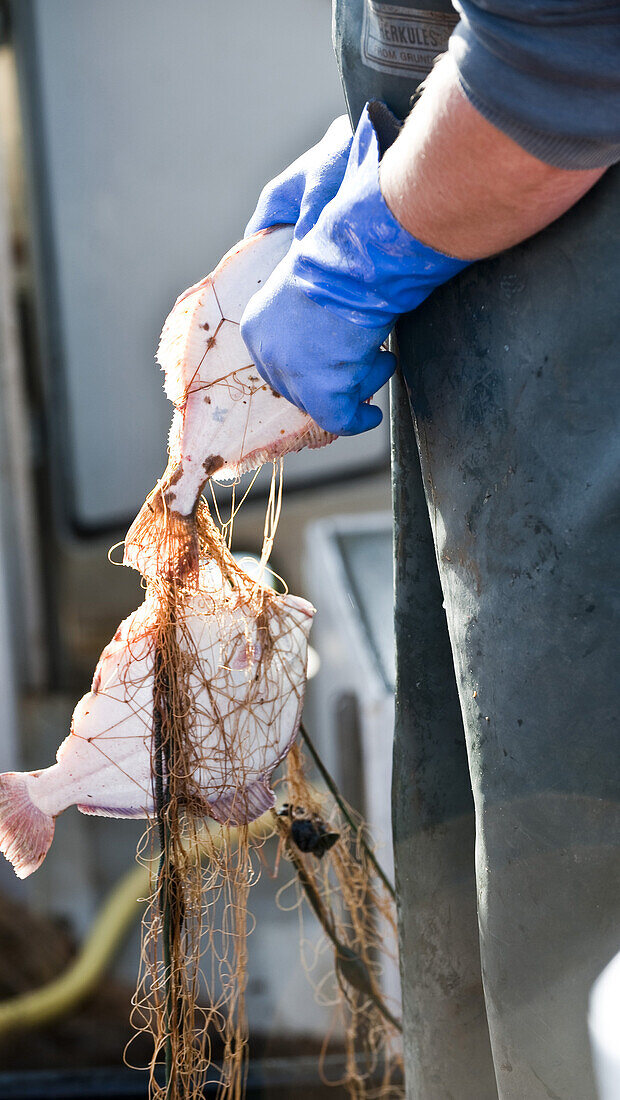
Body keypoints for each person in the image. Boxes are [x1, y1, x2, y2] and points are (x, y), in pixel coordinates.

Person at [239, 3, 620, 1097]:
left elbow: (568, 51)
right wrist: (400, 129)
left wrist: (370, 248)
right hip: (500, 388)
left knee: (580, 939)